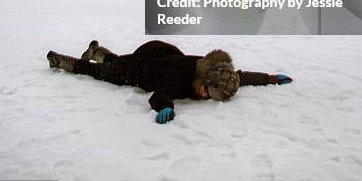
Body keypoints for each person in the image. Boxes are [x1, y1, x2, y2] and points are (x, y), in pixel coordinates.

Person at [47, 40, 292, 124]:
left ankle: (99, 51)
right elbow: (159, 95)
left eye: (210, 95)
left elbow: (241, 76)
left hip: (159, 52)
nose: (204, 96)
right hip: (139, 69)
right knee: (102, 72)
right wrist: (165, 107)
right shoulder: (181, 79)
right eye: (207, 91)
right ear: (204, 80)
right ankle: (62, 61)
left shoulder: (212, 69)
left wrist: (269, 78)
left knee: (117, 60)